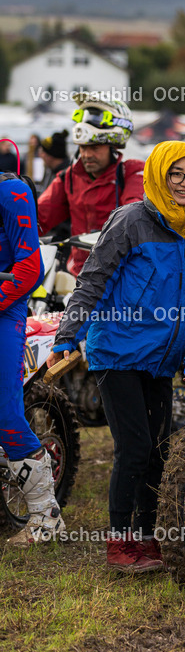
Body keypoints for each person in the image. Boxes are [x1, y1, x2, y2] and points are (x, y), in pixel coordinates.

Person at [46, 141, 185, 573]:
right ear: (158, 175)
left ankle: (146, 537)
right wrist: (67, 334)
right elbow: (93, 278)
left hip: (163, 356)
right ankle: (119, 545)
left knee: (158, 450)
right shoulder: (131, 220)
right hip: (119, 350)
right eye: (176, 174)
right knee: (135, 448)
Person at [0, 162, 65, 547]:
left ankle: (46, 515)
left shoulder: (11, 191)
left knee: (5, 413)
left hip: (5, 310)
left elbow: (29, 268)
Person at [38, 95, 144, 275]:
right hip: (78, 273)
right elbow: (38, 218)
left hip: (122, 273)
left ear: (113, 147)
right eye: (83, 147)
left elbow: (133, 217)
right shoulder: (69, 177)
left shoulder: (132, 173)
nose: (87, 155)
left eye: (94, 147)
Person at [36, 130, 70, 194]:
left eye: (43, 152)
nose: (40, 155)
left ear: (51, 155)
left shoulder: (66, 176)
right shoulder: (51, 171)